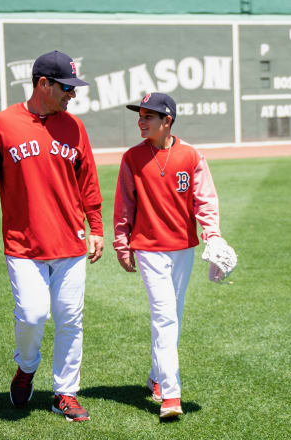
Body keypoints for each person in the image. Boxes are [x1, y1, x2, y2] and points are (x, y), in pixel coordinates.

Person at [0, 50, 103, 422]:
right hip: (23, 244)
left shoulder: (74, 127)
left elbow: (88, 180)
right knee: (32, 313)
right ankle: (26, 368)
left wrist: (97, 228)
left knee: (70, 319)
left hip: (70, 242)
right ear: (43, 84)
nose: (71, 94)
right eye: (65, 87)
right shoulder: (2, 124)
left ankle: (66, 392)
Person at [113, 92, 233, 418]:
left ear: (167, 120)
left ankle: (155, 377)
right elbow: (124, 204)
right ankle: (171, 394)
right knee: (165, 316)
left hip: (183, 249)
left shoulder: (192, 156)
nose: (141, 121)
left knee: (173, 318)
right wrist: (122, 243)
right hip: (149, 248)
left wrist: (214, 236)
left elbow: (204, 201)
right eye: (139, 115)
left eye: (148, 116)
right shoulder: (132, 158)